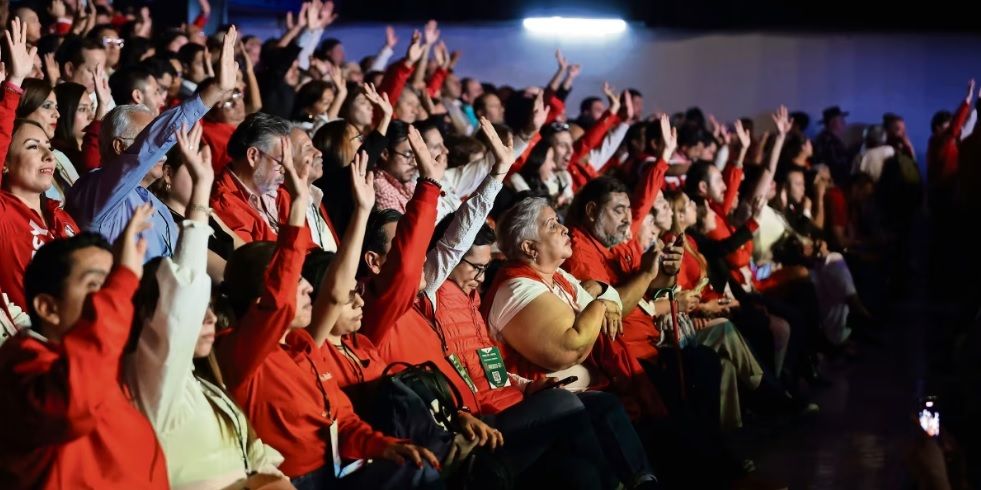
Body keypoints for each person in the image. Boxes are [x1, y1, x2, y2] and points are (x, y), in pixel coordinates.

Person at [215, 136, 442, 489]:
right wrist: (296, 208)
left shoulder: (305, 347)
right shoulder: (244, 354)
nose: (307, 289)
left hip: (340, 468)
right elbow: (302, 296)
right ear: (264, 295)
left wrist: (385, 446)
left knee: (419, 468)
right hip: (300, 481)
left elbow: (343, 423)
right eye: (297, 282)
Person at [126, 125, 289, 489]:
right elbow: (185, 291)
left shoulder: (209, 385)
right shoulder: (159, 384)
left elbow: (258, 457)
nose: (210, 317)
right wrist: (201, 193)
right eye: (197, 310)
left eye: (210, 308)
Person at [0, 206, 168, 488]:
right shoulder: (19, 368)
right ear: (49, 308)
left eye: (112, 282)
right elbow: (74, 403)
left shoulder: (97, 354)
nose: (113, 294)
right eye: (96, 284)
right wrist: (124, 276)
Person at [67, 27, 242, 261]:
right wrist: (214, 91)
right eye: (150, 140)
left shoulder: (153, 203)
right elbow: (152, 143)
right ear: (120, 147)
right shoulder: (98, 189)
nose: (162, 150)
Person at [0, 21, 79, 339]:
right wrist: (14, 84)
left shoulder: (62, 217)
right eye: (33, 147)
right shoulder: (4, 215)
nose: (49, 156)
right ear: (5, 163)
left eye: (48, 146)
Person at [813, 106, 850, 183]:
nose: (845, 124)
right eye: (841, 121)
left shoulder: (826, 138)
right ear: (833, 123)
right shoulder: (829, 142)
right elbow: (837, 167)